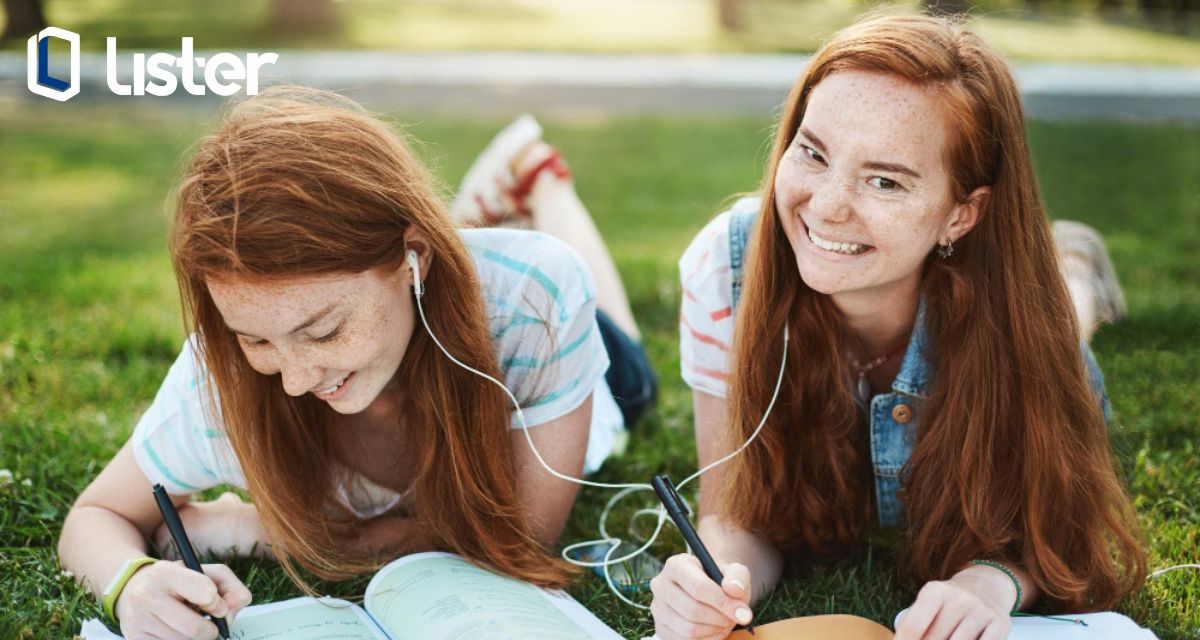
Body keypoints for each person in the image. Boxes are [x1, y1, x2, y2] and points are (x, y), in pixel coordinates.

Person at [58, 88, 656, 640]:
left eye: (323, 329)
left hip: (584, 372)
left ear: (413, 256)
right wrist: (130, 584)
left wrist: (265, 530)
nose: (294, 379)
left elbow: (518, 537)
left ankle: (543, 184)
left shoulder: (537, 297)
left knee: (631, 362)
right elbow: (97, 514)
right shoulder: (220, 380)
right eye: (256, 340)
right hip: (437, 285)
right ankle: (482, 210)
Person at [649, 13, 1145, 640]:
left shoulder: (1029, 324)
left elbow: (1061, 529)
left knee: (1065, 315)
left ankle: (1072, 265)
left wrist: (988, 581)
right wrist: (711, 577)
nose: (827, 206)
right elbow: (738, 513)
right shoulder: (726, 272)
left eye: (884, 180)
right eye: (813, 153)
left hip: (1021, 309)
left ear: (962, 215)